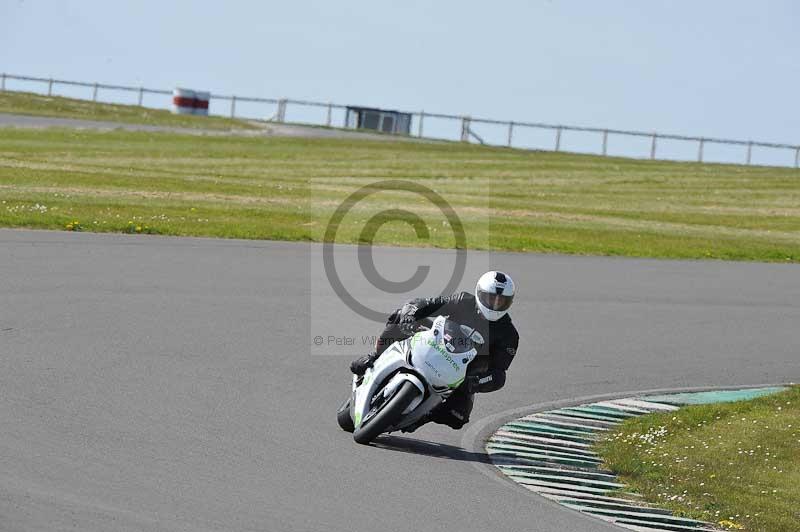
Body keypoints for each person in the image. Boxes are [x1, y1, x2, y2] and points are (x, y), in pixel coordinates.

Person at [350, 271, 519, 430]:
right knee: (400, 315)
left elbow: (499, 374)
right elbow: (425, 304)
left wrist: (476, 383)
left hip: (461, 374)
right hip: (435, 343)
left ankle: (424, 414)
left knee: (458, 417)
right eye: (491, 298)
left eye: (501, 301)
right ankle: (374, 357)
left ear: (509, 302)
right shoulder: (463, 300)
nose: (495, 304)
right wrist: (410, 315)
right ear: (479, 293)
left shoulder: (509, 335)